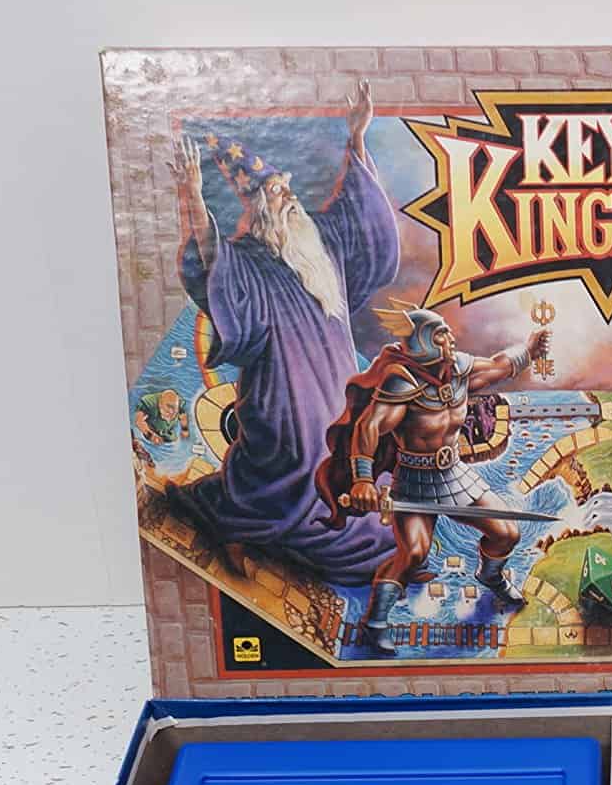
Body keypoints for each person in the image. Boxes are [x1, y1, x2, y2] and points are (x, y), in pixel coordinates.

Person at [164, 84, 402, 581]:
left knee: (346, 470)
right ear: (259, 209)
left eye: (288, 189)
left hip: (336, 387)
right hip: (283, 396)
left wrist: (357, 138)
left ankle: (262, 523)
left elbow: (359, 213)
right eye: (277, 193)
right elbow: (212, 260)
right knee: (295, 461)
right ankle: (236, 525)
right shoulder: (251, 261)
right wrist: (193, 198)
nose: (290, 197)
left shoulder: (321, 243)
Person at [322, 308, 550, 642]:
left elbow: (498, 367)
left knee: (506, 533)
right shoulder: (403, 382)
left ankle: (490, 577)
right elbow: (370, 426)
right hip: (414, 479)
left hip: (454, 473)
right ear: (423, 341)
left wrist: (528, 350)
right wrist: (363, 480)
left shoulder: (458, 370)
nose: (450, 337)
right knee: (414, 553)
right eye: (441, 333)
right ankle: (375, 622)